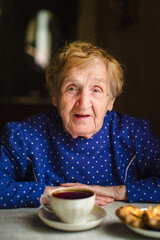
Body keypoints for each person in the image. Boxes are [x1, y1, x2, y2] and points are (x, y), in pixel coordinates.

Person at [0, 41, 160, 209]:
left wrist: (116, 191)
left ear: (111, 100)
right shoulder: (25, 136)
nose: (83, 103)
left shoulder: (134, 135)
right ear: (54, 95)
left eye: (96, 90)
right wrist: (52, 194)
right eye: (71, 88)